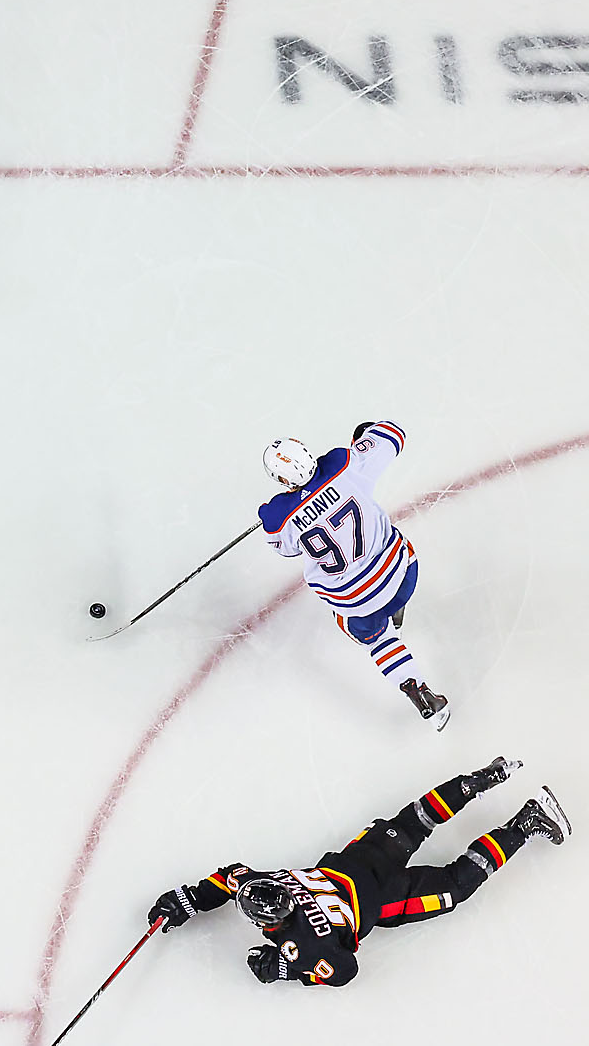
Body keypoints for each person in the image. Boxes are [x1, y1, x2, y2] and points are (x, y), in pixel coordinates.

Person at [146, 757, 570, 987]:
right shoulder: (268, 882)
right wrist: (188, 899)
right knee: (415, 820)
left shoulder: (304, 945)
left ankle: (526, 821)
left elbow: (344, 971)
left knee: (456, 885)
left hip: (389, 896)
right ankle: (481, 779)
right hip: (356, 862)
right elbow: (227, 878)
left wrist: (282, 968)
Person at [259, 421, 449, 728]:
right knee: (391, 545)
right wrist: (364, 437)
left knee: (376, 637)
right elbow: (394, 434)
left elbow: (285, 548)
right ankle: (395, 606)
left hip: (357, 603)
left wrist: (284, 510)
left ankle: (417, 687)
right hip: (402, 577)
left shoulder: (276, 517)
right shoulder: (343, 463)